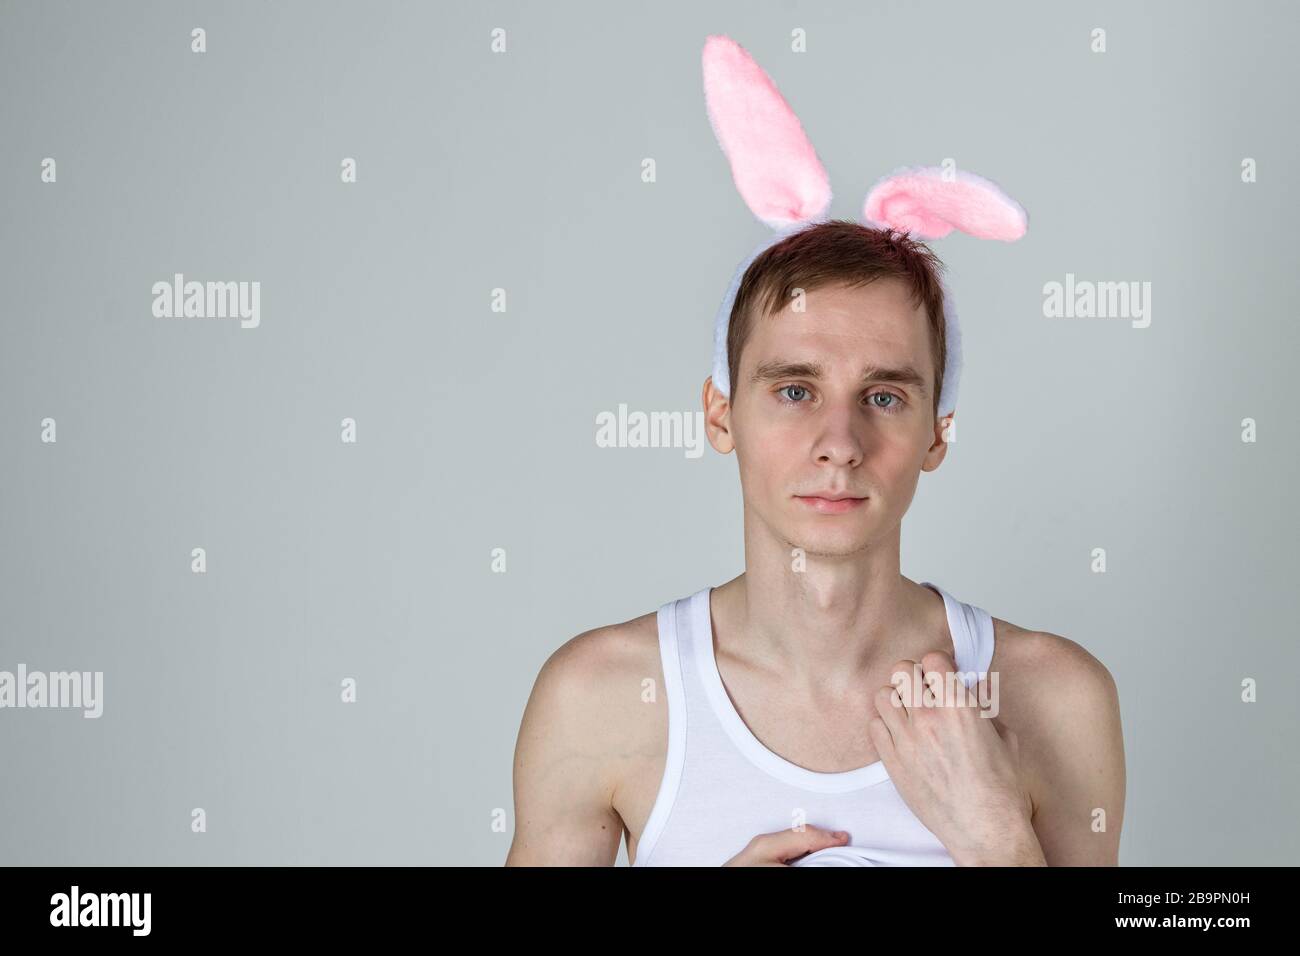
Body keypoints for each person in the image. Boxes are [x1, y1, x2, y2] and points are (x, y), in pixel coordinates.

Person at [505, 221, 1125, 866]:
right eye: (795, 391)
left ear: (937, 435)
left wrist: (998, 839)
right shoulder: (599, 696)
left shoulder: (1056, 698)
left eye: (883, 397)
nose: (841, 443)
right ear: (721, 415)